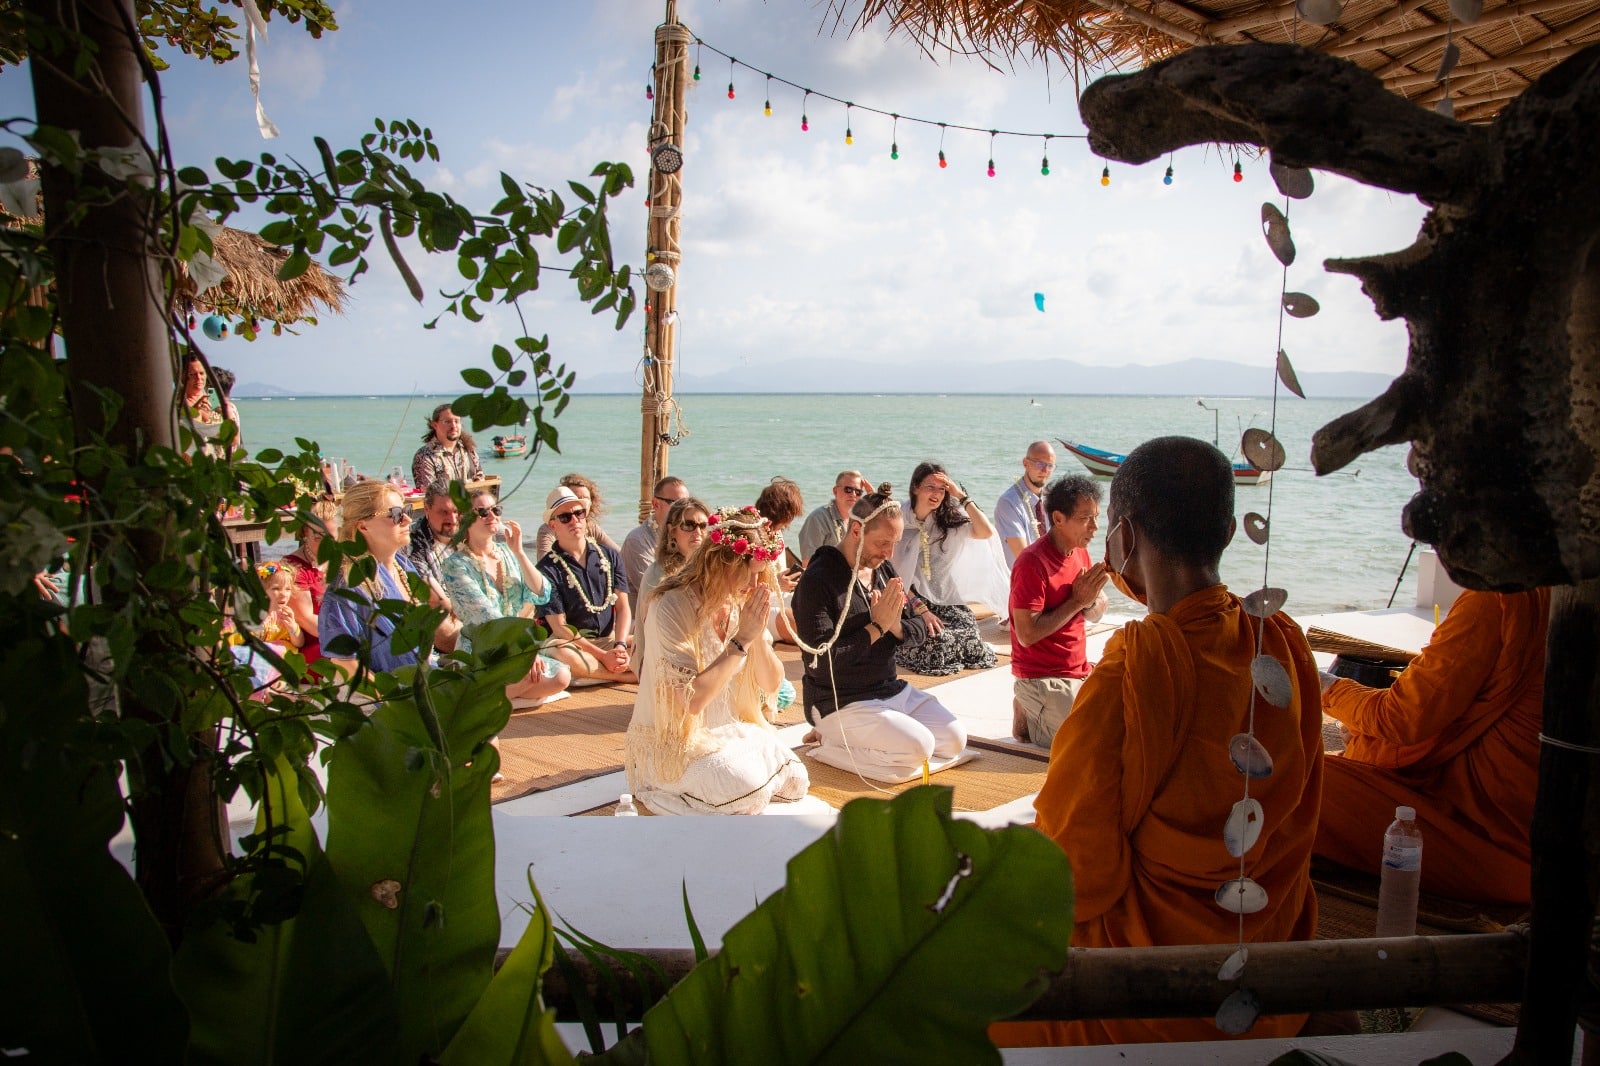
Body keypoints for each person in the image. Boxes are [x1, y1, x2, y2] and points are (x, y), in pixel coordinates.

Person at [994, 437, 1323, 1048]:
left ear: (1122, 538)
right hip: (1272, 980)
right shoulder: (1283, 644)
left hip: (1153, 998)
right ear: (1227, 532)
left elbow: (1075, 878)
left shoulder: (1131, 675)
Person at [1315, 587, 1549, 905]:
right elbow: (1454, 719)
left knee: (1287, 779)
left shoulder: (1497, 597)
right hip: (1561, 832)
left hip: (1508, 846)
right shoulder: (1562, 588)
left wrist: (1322, 685)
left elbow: (1404, 720)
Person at [625, 506, 810, 815]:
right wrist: (739, 642)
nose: (754, 585)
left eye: (760, 575)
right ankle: (660, 791)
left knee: (796, 782)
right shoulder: (670, 605)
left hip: (728, 731)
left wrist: (755, 634)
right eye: (749, 573)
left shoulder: (738, 602)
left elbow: (771, 683)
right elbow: (691, 701)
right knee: (745, 788)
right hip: (677, 742)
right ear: (720, 562)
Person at [792, 485, 968, 783]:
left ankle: (853, 739)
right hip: (839, 701)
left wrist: (894, 625)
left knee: (954, 741)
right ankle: (829, 742)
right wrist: (875, 628)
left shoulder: (883, 570)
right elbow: (821, 664)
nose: (889, 553)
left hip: (889, 690)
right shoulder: (817, 582)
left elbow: (918, 630)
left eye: (895, 543)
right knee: (920, 748)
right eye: (883, 543)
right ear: (857, 531)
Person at [319, 481, 461, 679]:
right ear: (363, 526)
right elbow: (345, 664)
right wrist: (386, 700)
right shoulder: (348, 585)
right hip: (389, 695)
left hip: (424, 678)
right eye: (394, 514)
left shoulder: (403, 566)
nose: (406, 519)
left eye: (407, 510)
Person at [441, 489, 571, 705]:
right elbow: (487, 617)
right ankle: (489, 695)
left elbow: (542, 593)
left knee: (561, 676)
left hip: (516, 647)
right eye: (483, 512)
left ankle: (492, 696)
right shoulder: (455, 565)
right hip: (483, 651)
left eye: (496, 509)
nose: (492, 516)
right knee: (538, 675)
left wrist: (519, 553)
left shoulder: (507, 552)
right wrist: (525, 654)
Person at [1008, 475, 1109, 749]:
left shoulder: (1080, 552)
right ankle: (1028, 710)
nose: (1095, 527)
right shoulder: (1031, 563)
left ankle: (1039, 709)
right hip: (1042, 675)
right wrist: (1078, 601)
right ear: (1059, 518)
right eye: (1086, 518)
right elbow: (1027, 635)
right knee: (1083, 747)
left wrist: (1090, 601)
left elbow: (1096, 610)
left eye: (1097, 517)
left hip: (1079, 668)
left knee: (1129, 718)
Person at [888, 462, 1006, 676]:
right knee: (938, 641)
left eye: (942, 489)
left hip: (945, 598)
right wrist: (923, 612)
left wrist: (961, 496)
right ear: (915, 487)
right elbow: (894, 575)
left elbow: (986, 531)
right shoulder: (898, 520)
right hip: (908, 600)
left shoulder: (946, 520)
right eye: (930, 487)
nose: (936, 494)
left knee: (970, 635)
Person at [537, 485, 636, 683]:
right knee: (561, 652)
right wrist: (602, 656)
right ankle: (625, 677)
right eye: (565, 517)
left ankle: (603, 670)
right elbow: (560, 628)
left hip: (609, 640)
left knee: (652, 639)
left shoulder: (609, 556)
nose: (574, 520)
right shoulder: (546, 569)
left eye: (579, 513)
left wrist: (619, 646)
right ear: (553, 525)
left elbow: (623, 607)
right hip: (573, 645)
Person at [634, 495, 712, 638]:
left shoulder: (709, 570)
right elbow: (650, 627)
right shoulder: (657, 574)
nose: (697, 532)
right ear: (672, 530)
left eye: (703, 526)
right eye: (688, 525)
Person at [283, 497, 339, 667]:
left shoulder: (342, 560)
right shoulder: (294, 567)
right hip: (313, 644)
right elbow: (306, 619)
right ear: (305, 533)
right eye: (318, 537)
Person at [753, 475, 805, 642]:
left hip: (778, 598)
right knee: (801, 625)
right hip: (755, 607)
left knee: (818, 609)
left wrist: (784, 584)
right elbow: (738, 589)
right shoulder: (750, 536)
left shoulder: (778, 535)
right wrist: (775, 584)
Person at [620, 476, 689, 595]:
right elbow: (653, 591)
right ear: (656, 504)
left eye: (687, 504)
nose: (683, 510)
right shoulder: (637, 541)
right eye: (676, 504)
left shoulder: (685, 535)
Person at [995, 441, 1057, 567]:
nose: (1045, 470)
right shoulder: (1009, 503)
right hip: (1020, 580)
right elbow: (1023, 556)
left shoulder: (1052, 499)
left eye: (1050, 466)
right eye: (1039, 464)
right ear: (1025, 463)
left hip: (1048, 574)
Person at [532, 472, 622, 559]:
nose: (581, 503)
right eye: (576, 498)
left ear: (591, 502)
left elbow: (621, 555)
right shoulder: (548, 529)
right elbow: (544, 565)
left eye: (585, 499)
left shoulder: (591, 527)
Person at [797, 470, 866, 564]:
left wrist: (873, 500)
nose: (853, 494)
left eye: (858, 492)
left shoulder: (860, 520)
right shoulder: (818, 518)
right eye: (848, 489)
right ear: (835, 491)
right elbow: (808, 563)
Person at [411, 403, 484, 488]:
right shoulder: (425, 456)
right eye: (447, 422)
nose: (453, 426)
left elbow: (481, 482)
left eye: (457, 421)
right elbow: (428, 494)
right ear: (435, 425)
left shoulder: (468, 451)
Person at [407, 479, 461, 593]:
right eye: (444, 512)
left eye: (456, 511)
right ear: (426, 509)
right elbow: (436, 601)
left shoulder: (471, 532)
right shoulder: (413, 545)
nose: (452, 520)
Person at [254, 561, 305, 653]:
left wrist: (292, 628)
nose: (284, 594)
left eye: (288, 589)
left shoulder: (284, 615)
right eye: (276, 589)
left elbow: (299, 643)